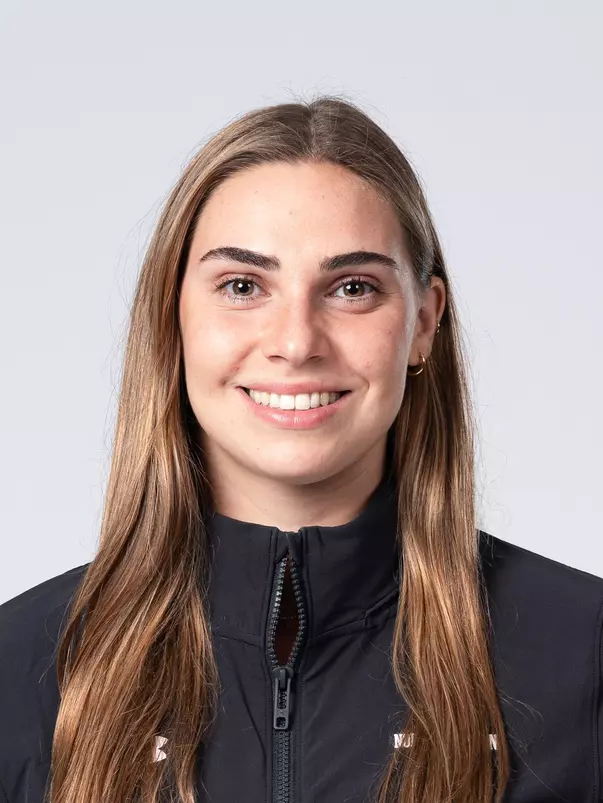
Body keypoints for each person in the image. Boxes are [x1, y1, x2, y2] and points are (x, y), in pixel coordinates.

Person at [0, 96, 601, 803]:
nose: (295, 341)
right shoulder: (20, 667)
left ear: (423, 324)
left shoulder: (583, 655)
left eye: (352, 287)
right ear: (174, 317)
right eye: (242, 285)